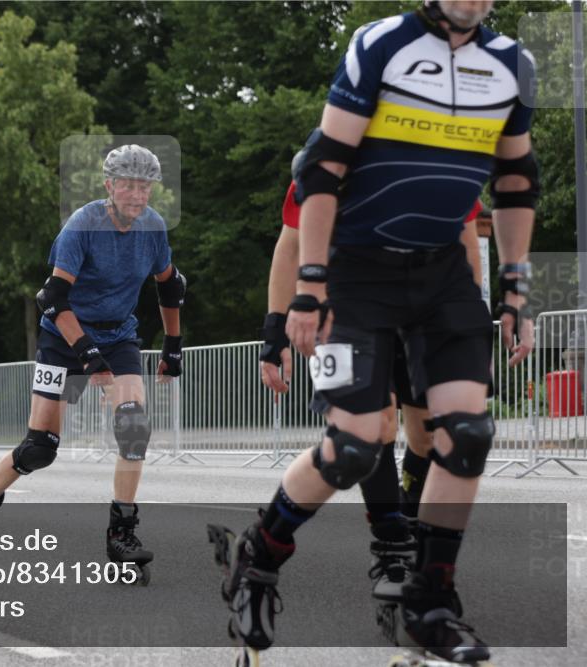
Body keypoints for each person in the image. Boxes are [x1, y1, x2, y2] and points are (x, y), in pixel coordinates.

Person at [222, 1, 537, 661]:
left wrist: (514, 289)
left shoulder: (510, 65)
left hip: (442, 275)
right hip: (355, 273)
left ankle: (430, 599)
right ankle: (261, 551)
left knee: (467, 433)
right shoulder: (382, 44)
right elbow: (321, 171)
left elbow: (514, 180)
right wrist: (298, 302)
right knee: (357, 446)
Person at [0, 144, 185, 582]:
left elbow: (170, 287)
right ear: (109, 186)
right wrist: (86, 354)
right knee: (40, 448)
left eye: (145, 186)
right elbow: (52, 298)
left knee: (134, 428)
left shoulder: (153, 228)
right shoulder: (82, 226)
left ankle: (122, 532)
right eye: (129, 185)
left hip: (117, 335)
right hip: (63, 337)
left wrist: (173, 345)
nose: (137, 195)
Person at [259, 182, 485, 603]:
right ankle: (393, 547)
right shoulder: (330, 155)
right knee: (366, 435)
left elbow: (467, 241)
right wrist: (274, 333)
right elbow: (289, 247)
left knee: (431, 435)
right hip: (344, 309)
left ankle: (411, 523)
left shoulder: (440, 154)